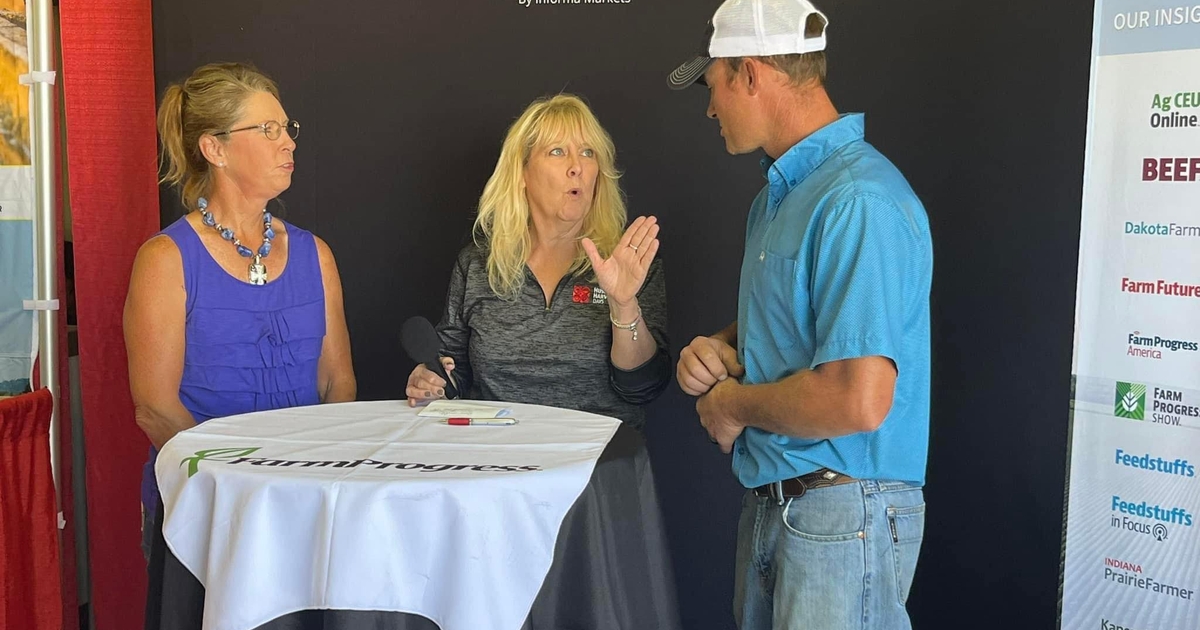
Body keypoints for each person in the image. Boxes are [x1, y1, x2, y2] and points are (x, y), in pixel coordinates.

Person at [668, 1, 934, 628]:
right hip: (779, 507)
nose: (710, 108)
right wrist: (723, 347)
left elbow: (858, 399)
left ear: (751, 75)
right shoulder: (777, 200)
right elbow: (801, 325)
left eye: (714, 86)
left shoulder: (857, 200)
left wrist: (732, 404)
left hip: (844, 513)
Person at [124, 62, 356, 559]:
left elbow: (338, 385)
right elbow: (156, 408)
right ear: (215, 148)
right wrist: (238, 491)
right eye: (268, 130)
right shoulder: (165, 259)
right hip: (206, 512)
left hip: (308, 504)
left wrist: (313, 484)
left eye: (287, 128)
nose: (289, 142)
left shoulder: (316, 254)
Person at [406, 93, 670, 426]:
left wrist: (623, 304)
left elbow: (644, 388)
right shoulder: (478, 265)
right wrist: (431, 383)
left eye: (588, 153)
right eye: (558, 152)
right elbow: (453, 376)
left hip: (595, 464)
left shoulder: (628, 262)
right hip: (496, 459)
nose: (577, 166)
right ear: (522, 174)